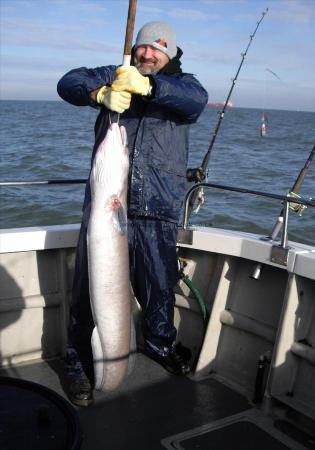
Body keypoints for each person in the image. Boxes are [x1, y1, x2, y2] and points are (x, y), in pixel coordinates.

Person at [57, 21, 208, 407]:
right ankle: (77, 362)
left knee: (159, 285)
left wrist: (150, 88)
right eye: (143, 48)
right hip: (106, 209)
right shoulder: (117, 74)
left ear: (170, 53)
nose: (147, 55)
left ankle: (159, 344)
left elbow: (196, 103)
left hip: (158, 207)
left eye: (157, 50)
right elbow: (68, 83)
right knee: (89, 288)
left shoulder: (183, 85)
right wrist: (99, 93)